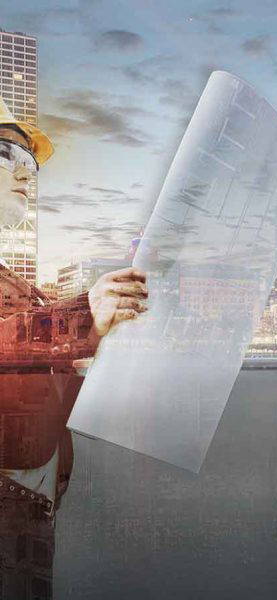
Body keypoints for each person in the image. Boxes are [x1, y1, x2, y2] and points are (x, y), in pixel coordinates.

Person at [0, 97, 147, 597]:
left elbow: (31, 356)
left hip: (26, 494)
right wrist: (86, 316)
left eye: (31, 165)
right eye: (8, 155)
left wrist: (100, 318)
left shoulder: (10, 278)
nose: (27, 176)